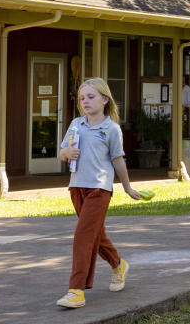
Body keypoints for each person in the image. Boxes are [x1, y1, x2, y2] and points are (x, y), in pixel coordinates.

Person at [55, 78, 140, 309]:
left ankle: (76, 290)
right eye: (82, 98)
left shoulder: (111, 128)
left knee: (83, 235)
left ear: (104, 99)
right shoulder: (75, 124)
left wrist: (127, 186)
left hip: (100, 189)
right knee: (95, 235)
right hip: (76, 187)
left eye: (91, 97)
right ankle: (118, 264)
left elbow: (118, 160)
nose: (85, 102)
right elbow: (63, 151)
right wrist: (67, 153)